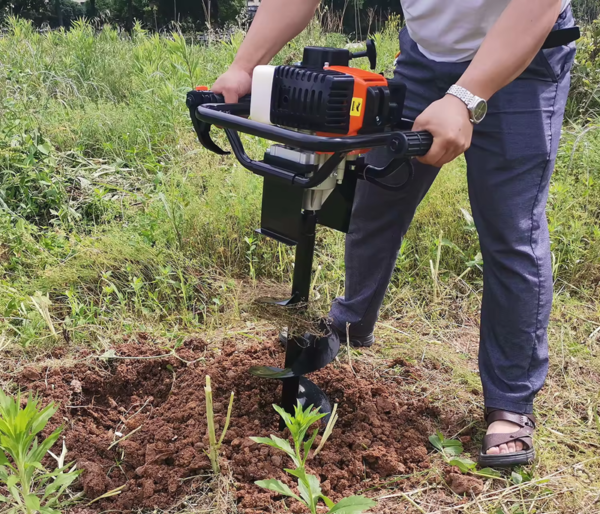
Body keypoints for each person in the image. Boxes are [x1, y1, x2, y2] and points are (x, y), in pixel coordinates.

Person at [212, 0, 577, 467]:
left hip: (525, 52)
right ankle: (348, 324)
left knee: (511, 230)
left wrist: (465, 98)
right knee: (376, 197)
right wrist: (245, 65)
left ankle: (510, 401)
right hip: (426, 56)